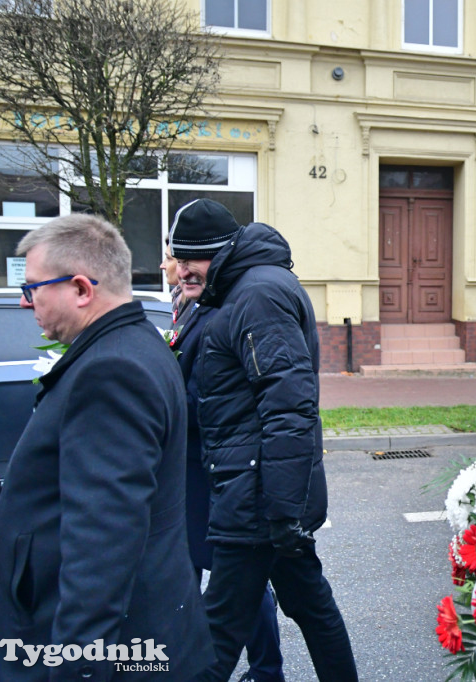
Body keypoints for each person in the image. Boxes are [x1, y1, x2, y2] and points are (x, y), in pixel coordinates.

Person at [0, 214, 213, 680]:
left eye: (32, 288)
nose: (23, 301)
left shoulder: (110, 370)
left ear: (81, 289)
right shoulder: (134, 345)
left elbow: (102, 546)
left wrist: (77, 668)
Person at [168, 198, 358, 682]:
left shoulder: (257, 296)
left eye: (190, 261)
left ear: (218, 252)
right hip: (261, 486)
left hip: (258, 493)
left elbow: (289, 405)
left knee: (221, 626)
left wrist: (279, 509)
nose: (181, 272)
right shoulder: (239, 288)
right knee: (310, 605)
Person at [170, 237, 286, 682]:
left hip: (215, 465)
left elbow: (219, 393)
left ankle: (264, 668)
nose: (178, 269)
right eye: (175, 260)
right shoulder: (192, 305)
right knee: (212, 572)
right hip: (194, 465)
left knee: (234, 574)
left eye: (185, 259)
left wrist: (169, 398)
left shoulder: (222, 307)